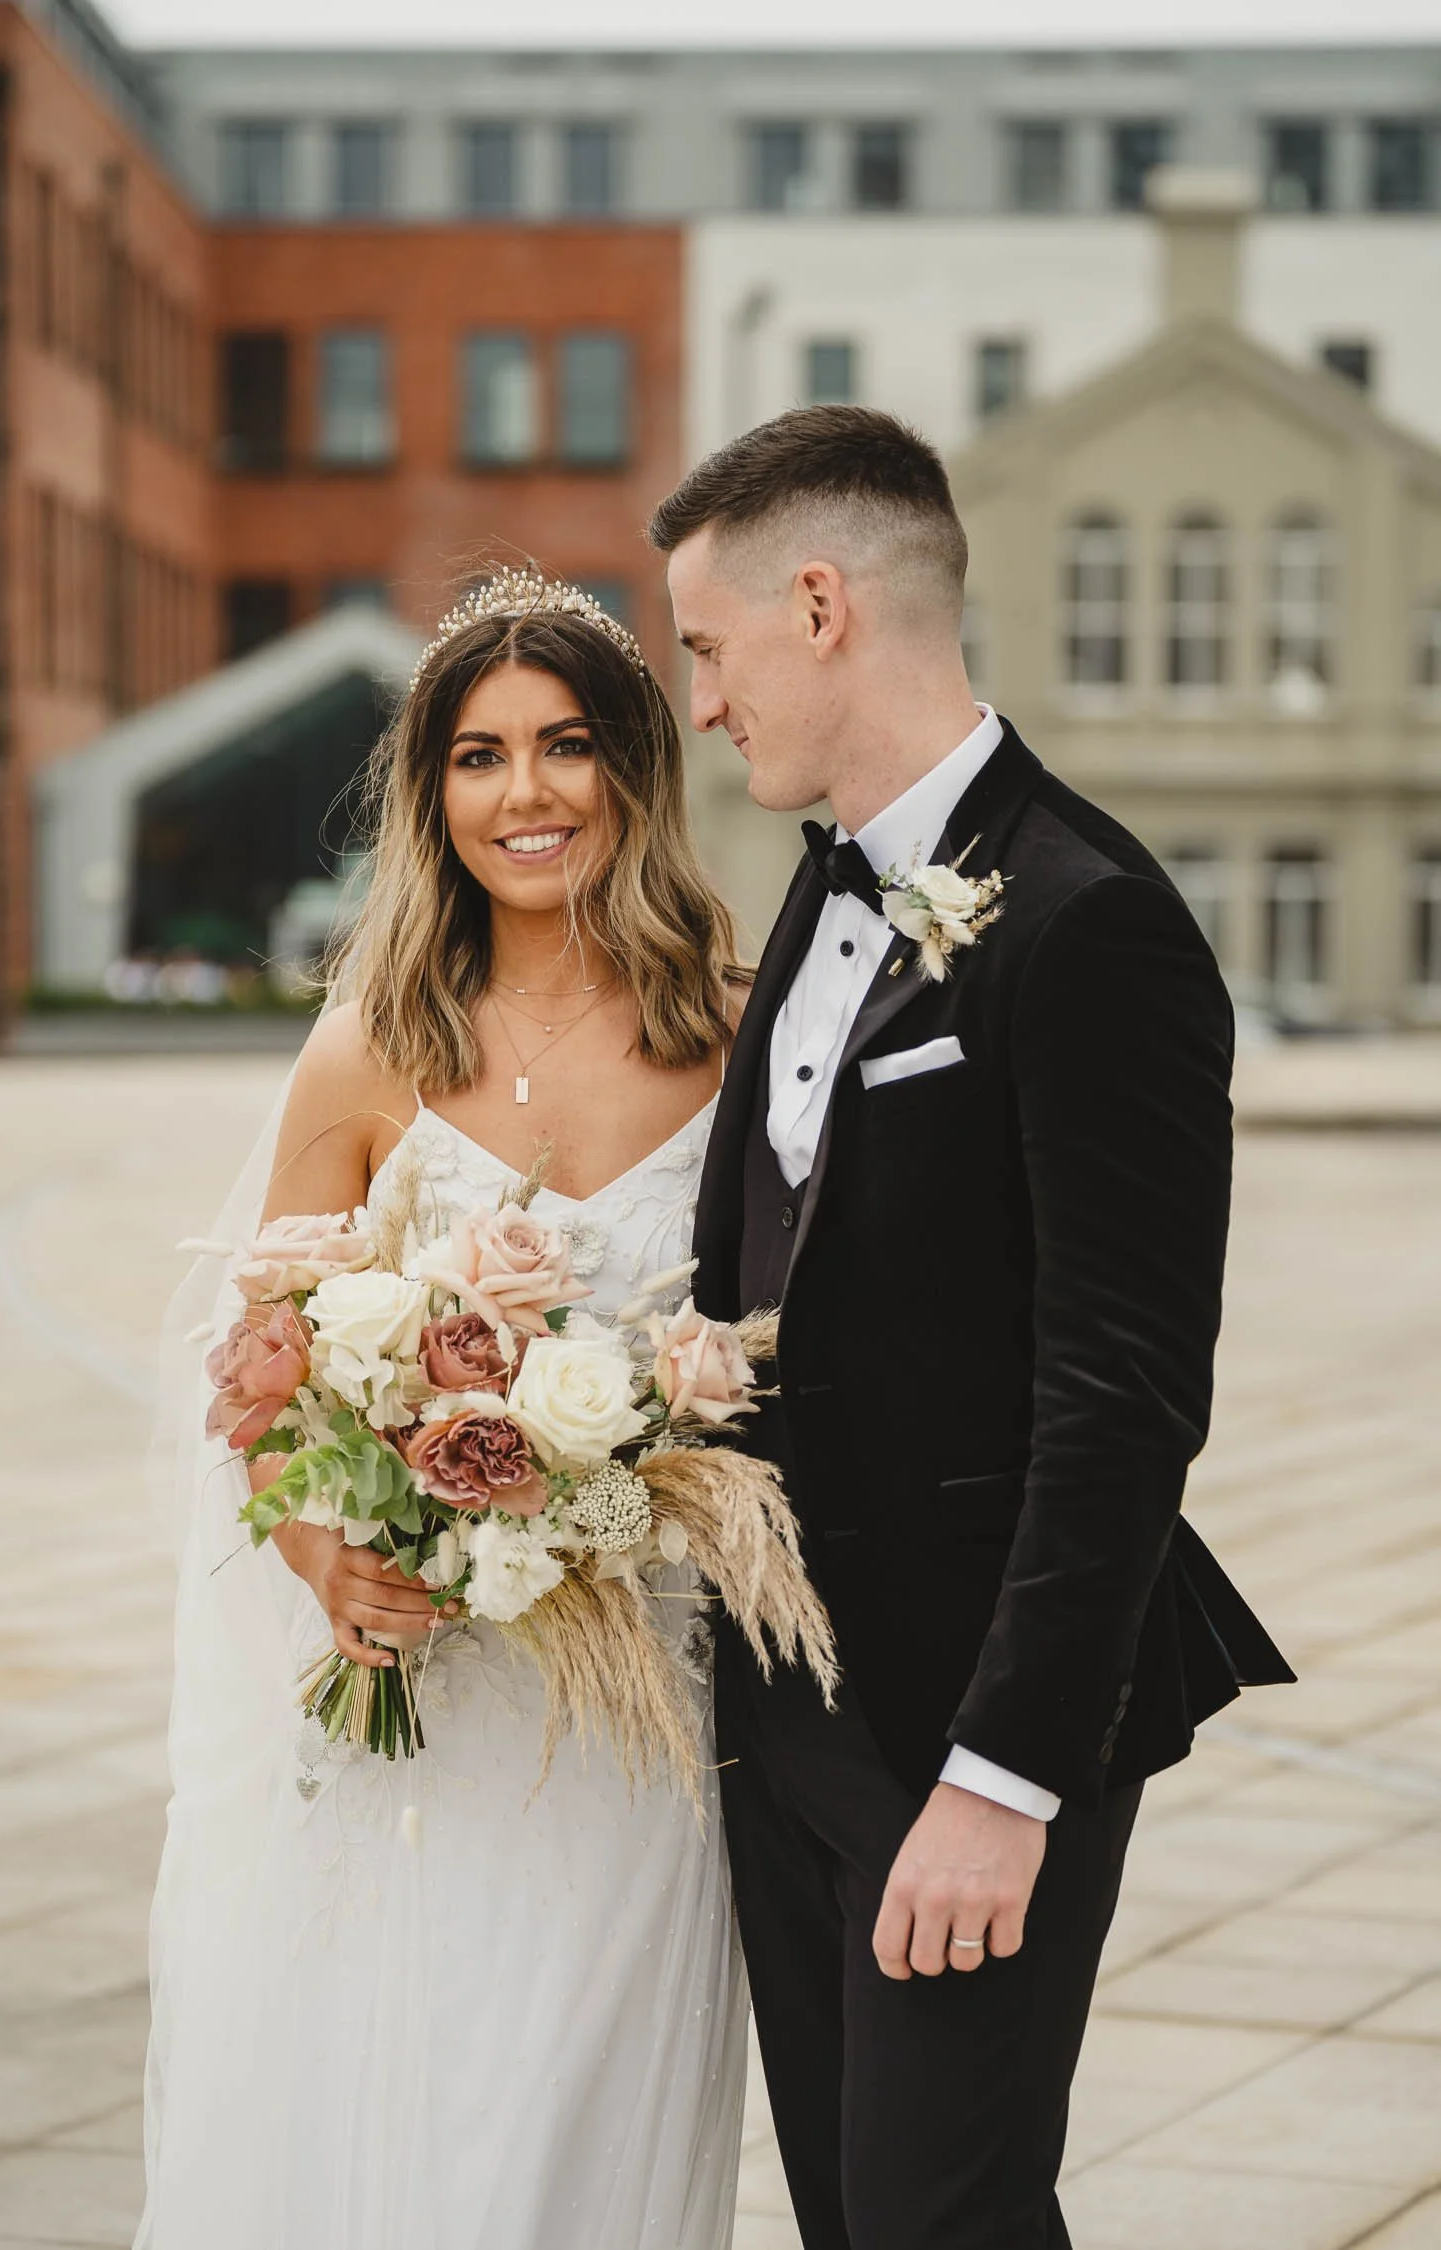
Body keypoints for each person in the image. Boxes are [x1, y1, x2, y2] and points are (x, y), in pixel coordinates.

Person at [651, 406, 1294, 2250]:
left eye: (710, 646)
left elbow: (1123, 1398)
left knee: (947, 2218)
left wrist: (1005, 1782)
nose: (703, 701)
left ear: (823, 605)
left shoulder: (1095, 924)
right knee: (855, 2218)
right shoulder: (820, 879)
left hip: (974, 1724)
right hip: (784, 1706)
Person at [138, 577, 750, 2250]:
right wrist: (329, 1558)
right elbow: (258, 1368)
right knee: (397, 2100)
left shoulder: (731, 1032)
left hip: (637, 1707)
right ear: (431, 793)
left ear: (634, 769)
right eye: (479, 755)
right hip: (426, 1691)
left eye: (566, 745)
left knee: (586, 2111)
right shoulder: (367, 1048)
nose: (525, 792)